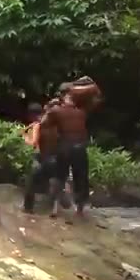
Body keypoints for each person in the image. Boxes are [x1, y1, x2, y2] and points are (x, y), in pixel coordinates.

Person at [41, 76, 103, 218]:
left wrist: (49, 108)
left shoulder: (57, 110)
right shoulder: (82, 109)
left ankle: (55, 208)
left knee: (60, 177)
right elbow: (98, 97)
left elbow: (44, 124)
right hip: (78, 146)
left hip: (64, 146)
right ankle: (79, 210)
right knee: (80, 178)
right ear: (71, 94)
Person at [21, 99, 60, 213]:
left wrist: (24, 136)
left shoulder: (38, 124)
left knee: (31, 181)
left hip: (42, 157)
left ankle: (28, 208)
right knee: (56, 181)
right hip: (56, 157)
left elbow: (33, 143)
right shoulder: (57, 124)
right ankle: (54, 208)